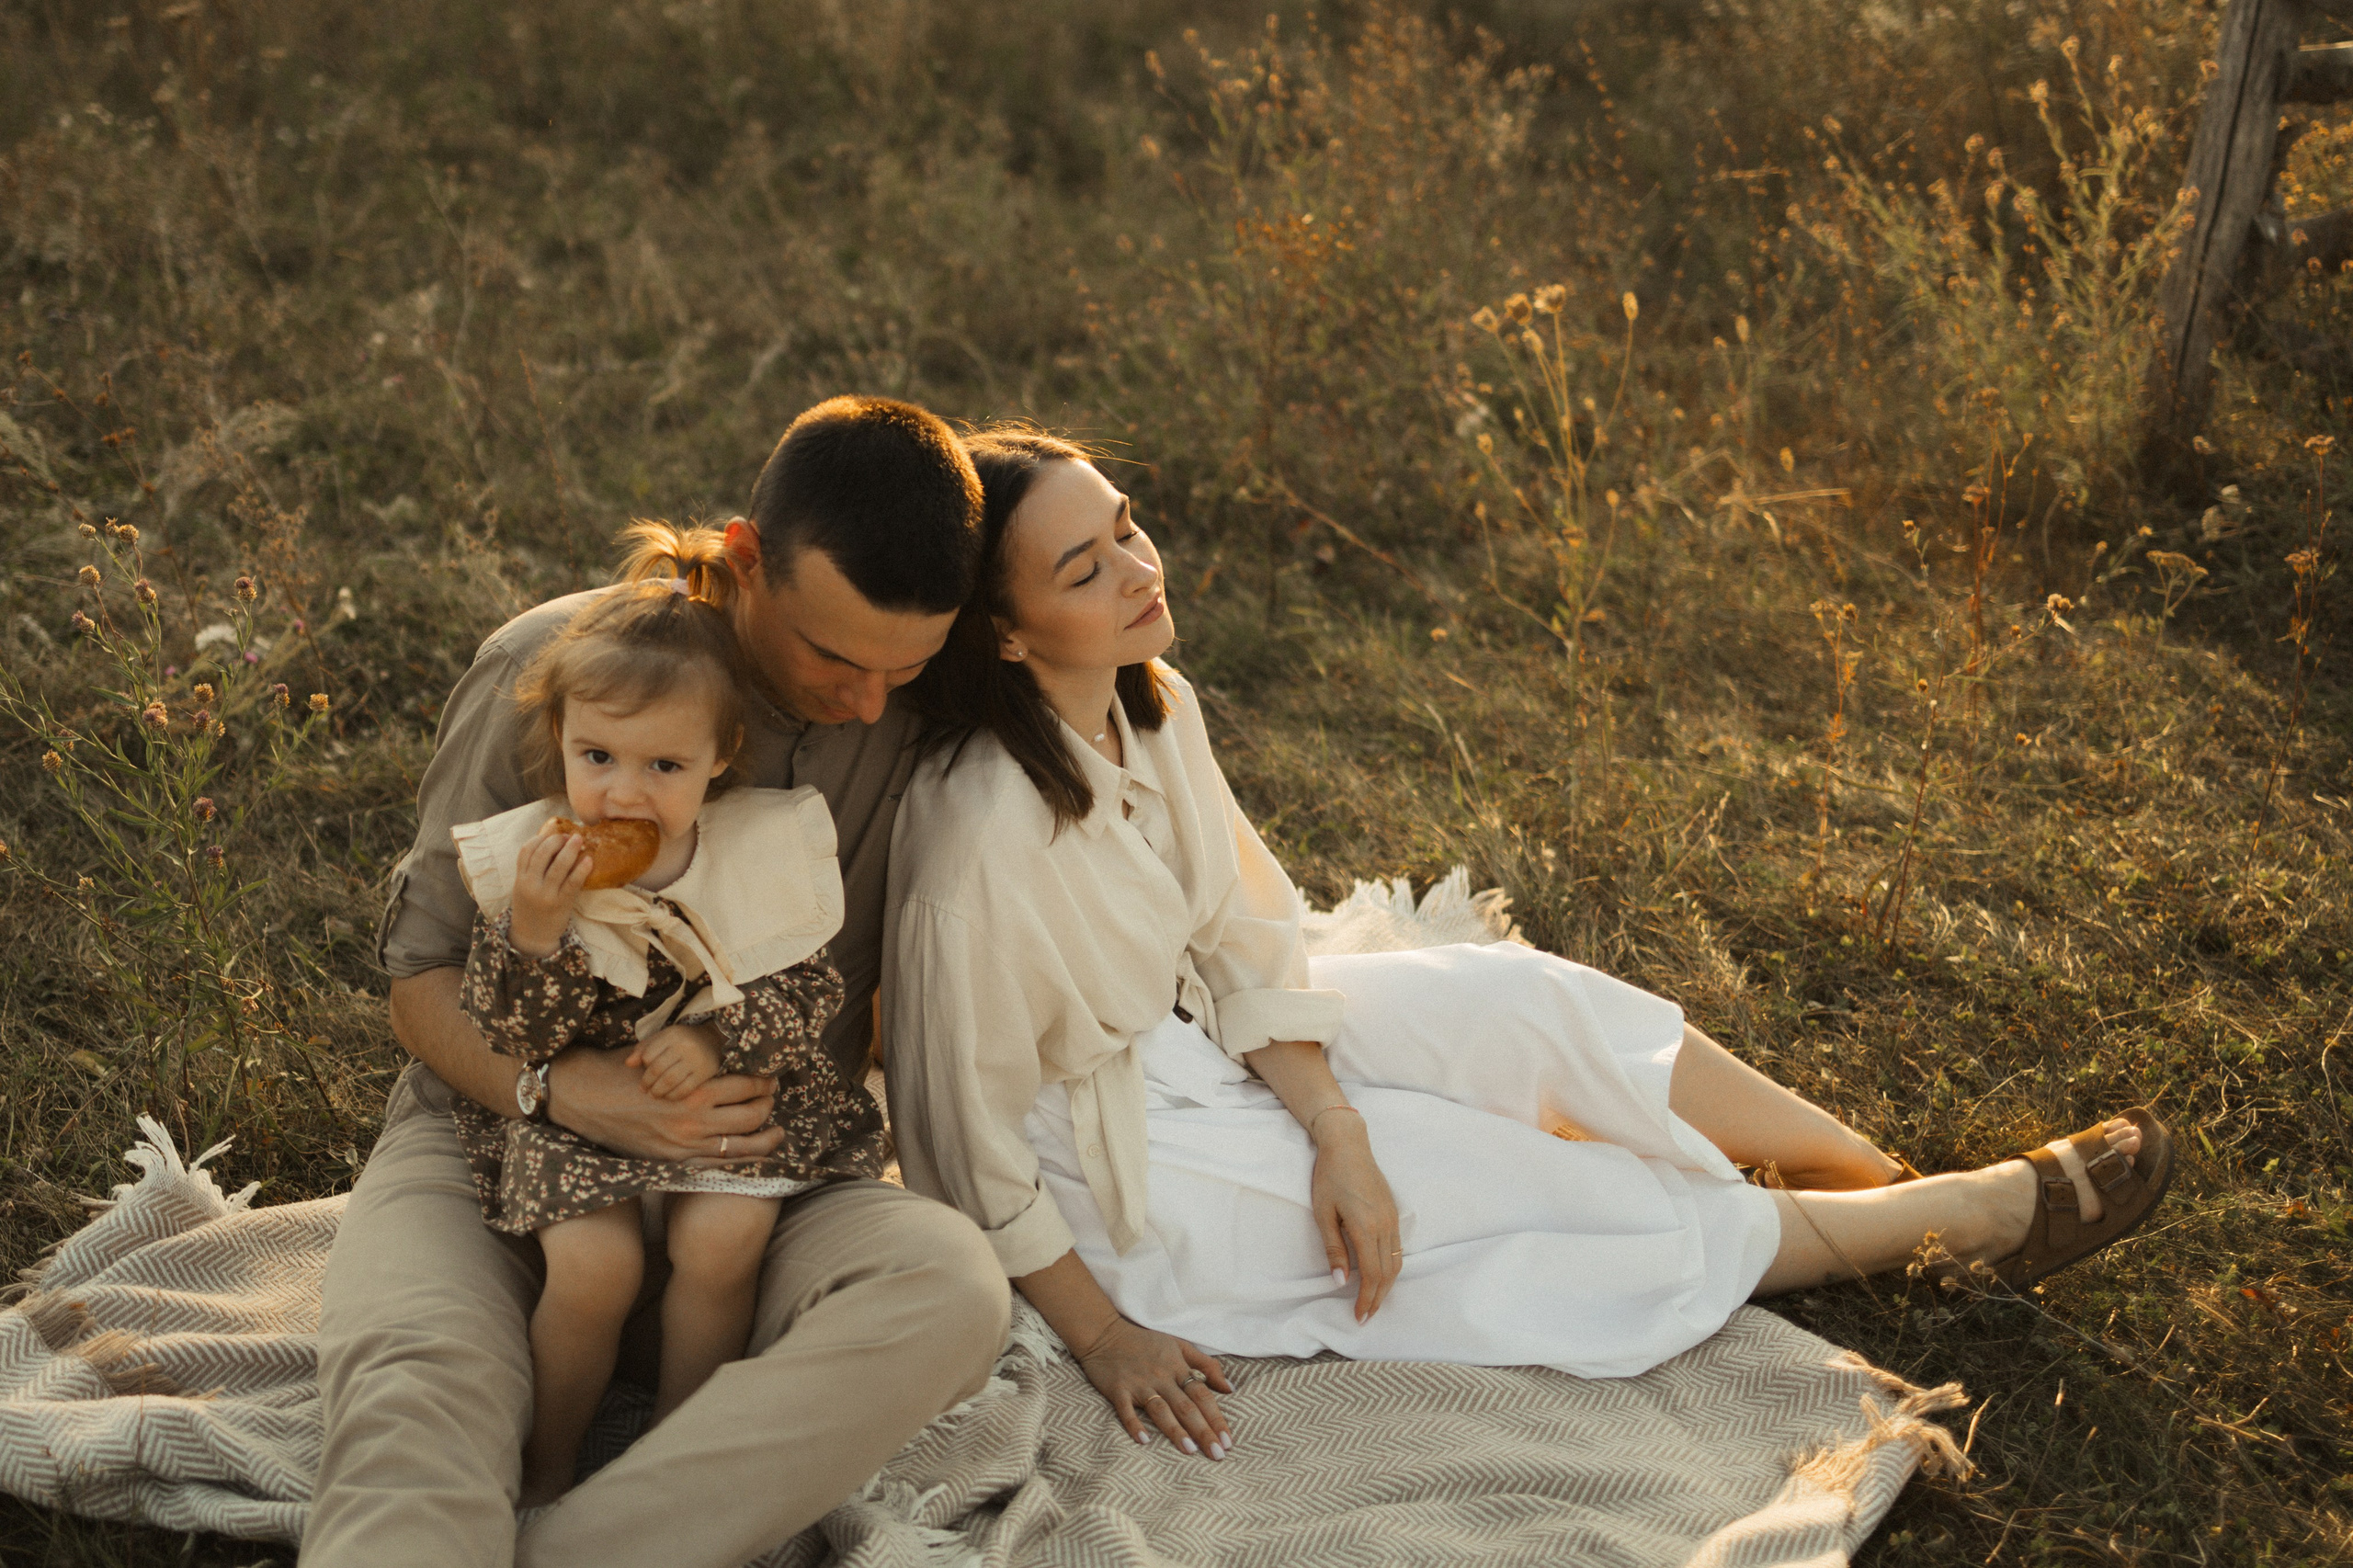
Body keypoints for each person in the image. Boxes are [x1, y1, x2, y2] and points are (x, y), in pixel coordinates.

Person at [882, 428, 2173, 1461]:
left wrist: (1332, 1121)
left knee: (1513, 999)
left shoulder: (1150, 703)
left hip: (1192, 1032)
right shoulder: (975, 842)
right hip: (1107, 1168)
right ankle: (1943, 1222)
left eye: (1127, 528)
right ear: (1001, 633)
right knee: (1473, 1181)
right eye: (1087, 569)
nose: (1139, 567)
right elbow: (958, 1145)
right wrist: (1104, 1334)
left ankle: (1860, 1170)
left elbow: (1240, 934)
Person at [312, 397, 1011, 1568]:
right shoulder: (558, 676)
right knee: (414, 1399)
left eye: (911, 664)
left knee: (951, 1290)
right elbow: (419, 981)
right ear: (744, 560)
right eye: (834, 655)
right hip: (497, 1148)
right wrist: (568, 1093)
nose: (868, 702)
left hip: (757, 1180)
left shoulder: (912, 706)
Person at [446, 522, 890, 1506]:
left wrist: (712, 1035)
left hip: (724, 1100)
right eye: (596, 755)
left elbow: (803, 990)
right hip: (586, 1120)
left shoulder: (745, 857)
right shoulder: (538, 868)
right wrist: (536, 931)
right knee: (593, 1265)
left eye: (664, 767)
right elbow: (511, 1029)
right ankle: (551, 1456)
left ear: (717, 761)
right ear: (557, 744)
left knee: (724, 1243)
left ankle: (674, 1454)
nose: (623, 791)